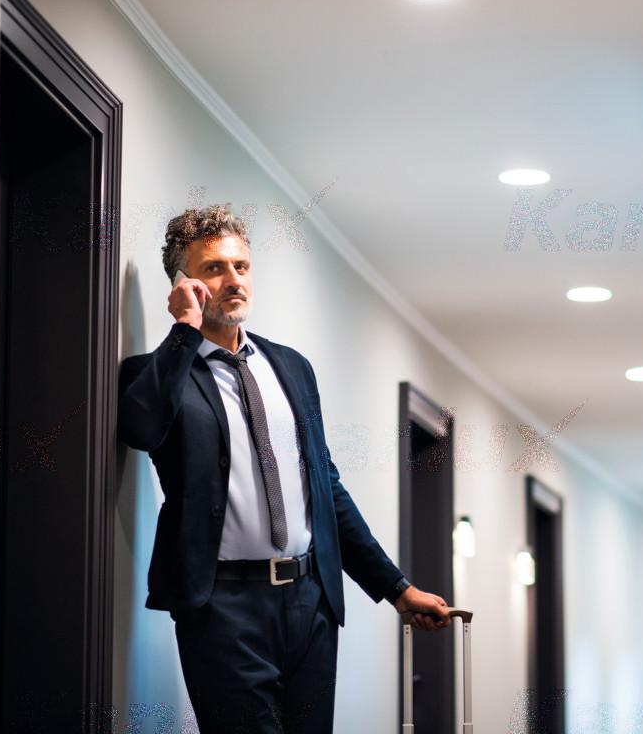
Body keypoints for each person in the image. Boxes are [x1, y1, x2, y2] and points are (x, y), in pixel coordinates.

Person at [118, 204, 450, 733]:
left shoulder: (291, 367)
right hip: (222, 607)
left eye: (241, 266)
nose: (233, 280)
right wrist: (184, 329)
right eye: (213, 269)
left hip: (309, 603)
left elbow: (327, 491)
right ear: (183, 284)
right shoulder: (157, 373)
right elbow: (141, 429)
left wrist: (396, 588)